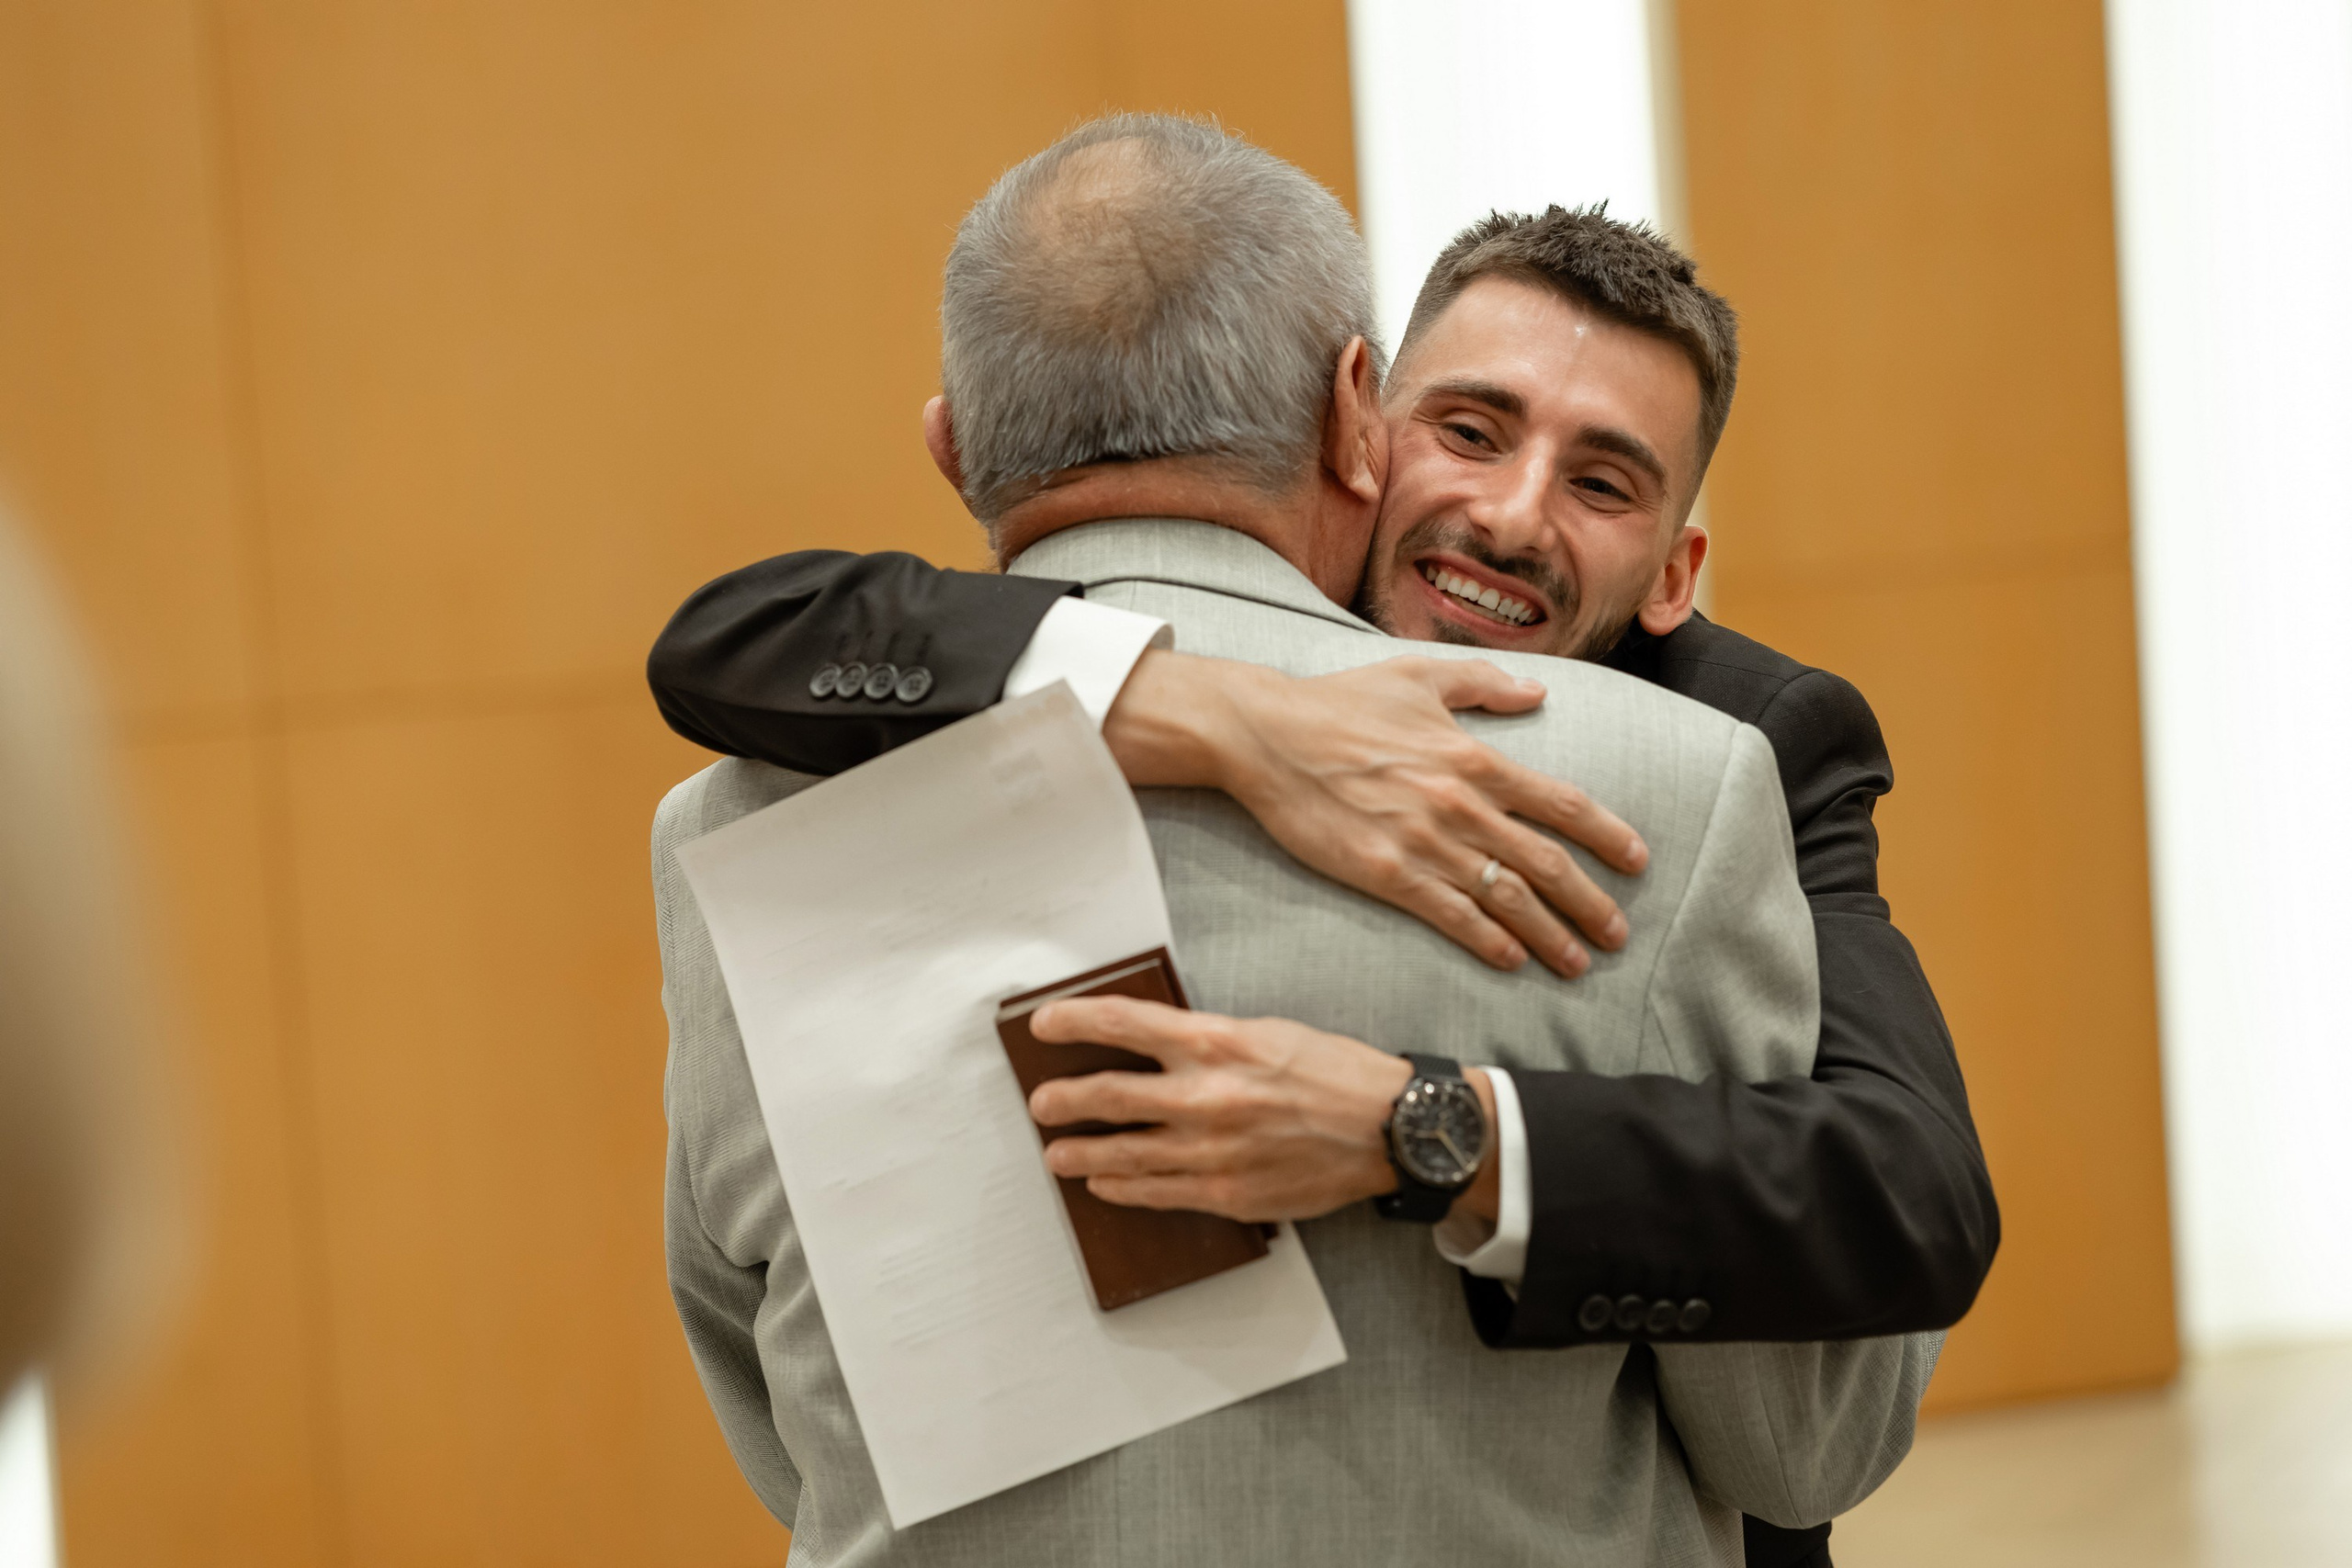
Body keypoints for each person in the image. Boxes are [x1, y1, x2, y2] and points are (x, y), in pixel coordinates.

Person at [652, 114, 1939, 1565]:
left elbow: (789, 1416)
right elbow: (1800, 1444)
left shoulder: (729, 827)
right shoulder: (1659, 795)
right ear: (1359, 421)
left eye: (1602, 480)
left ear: (952, 444)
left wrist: (1423, 1128)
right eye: (1470, 431)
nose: (1511, 517)